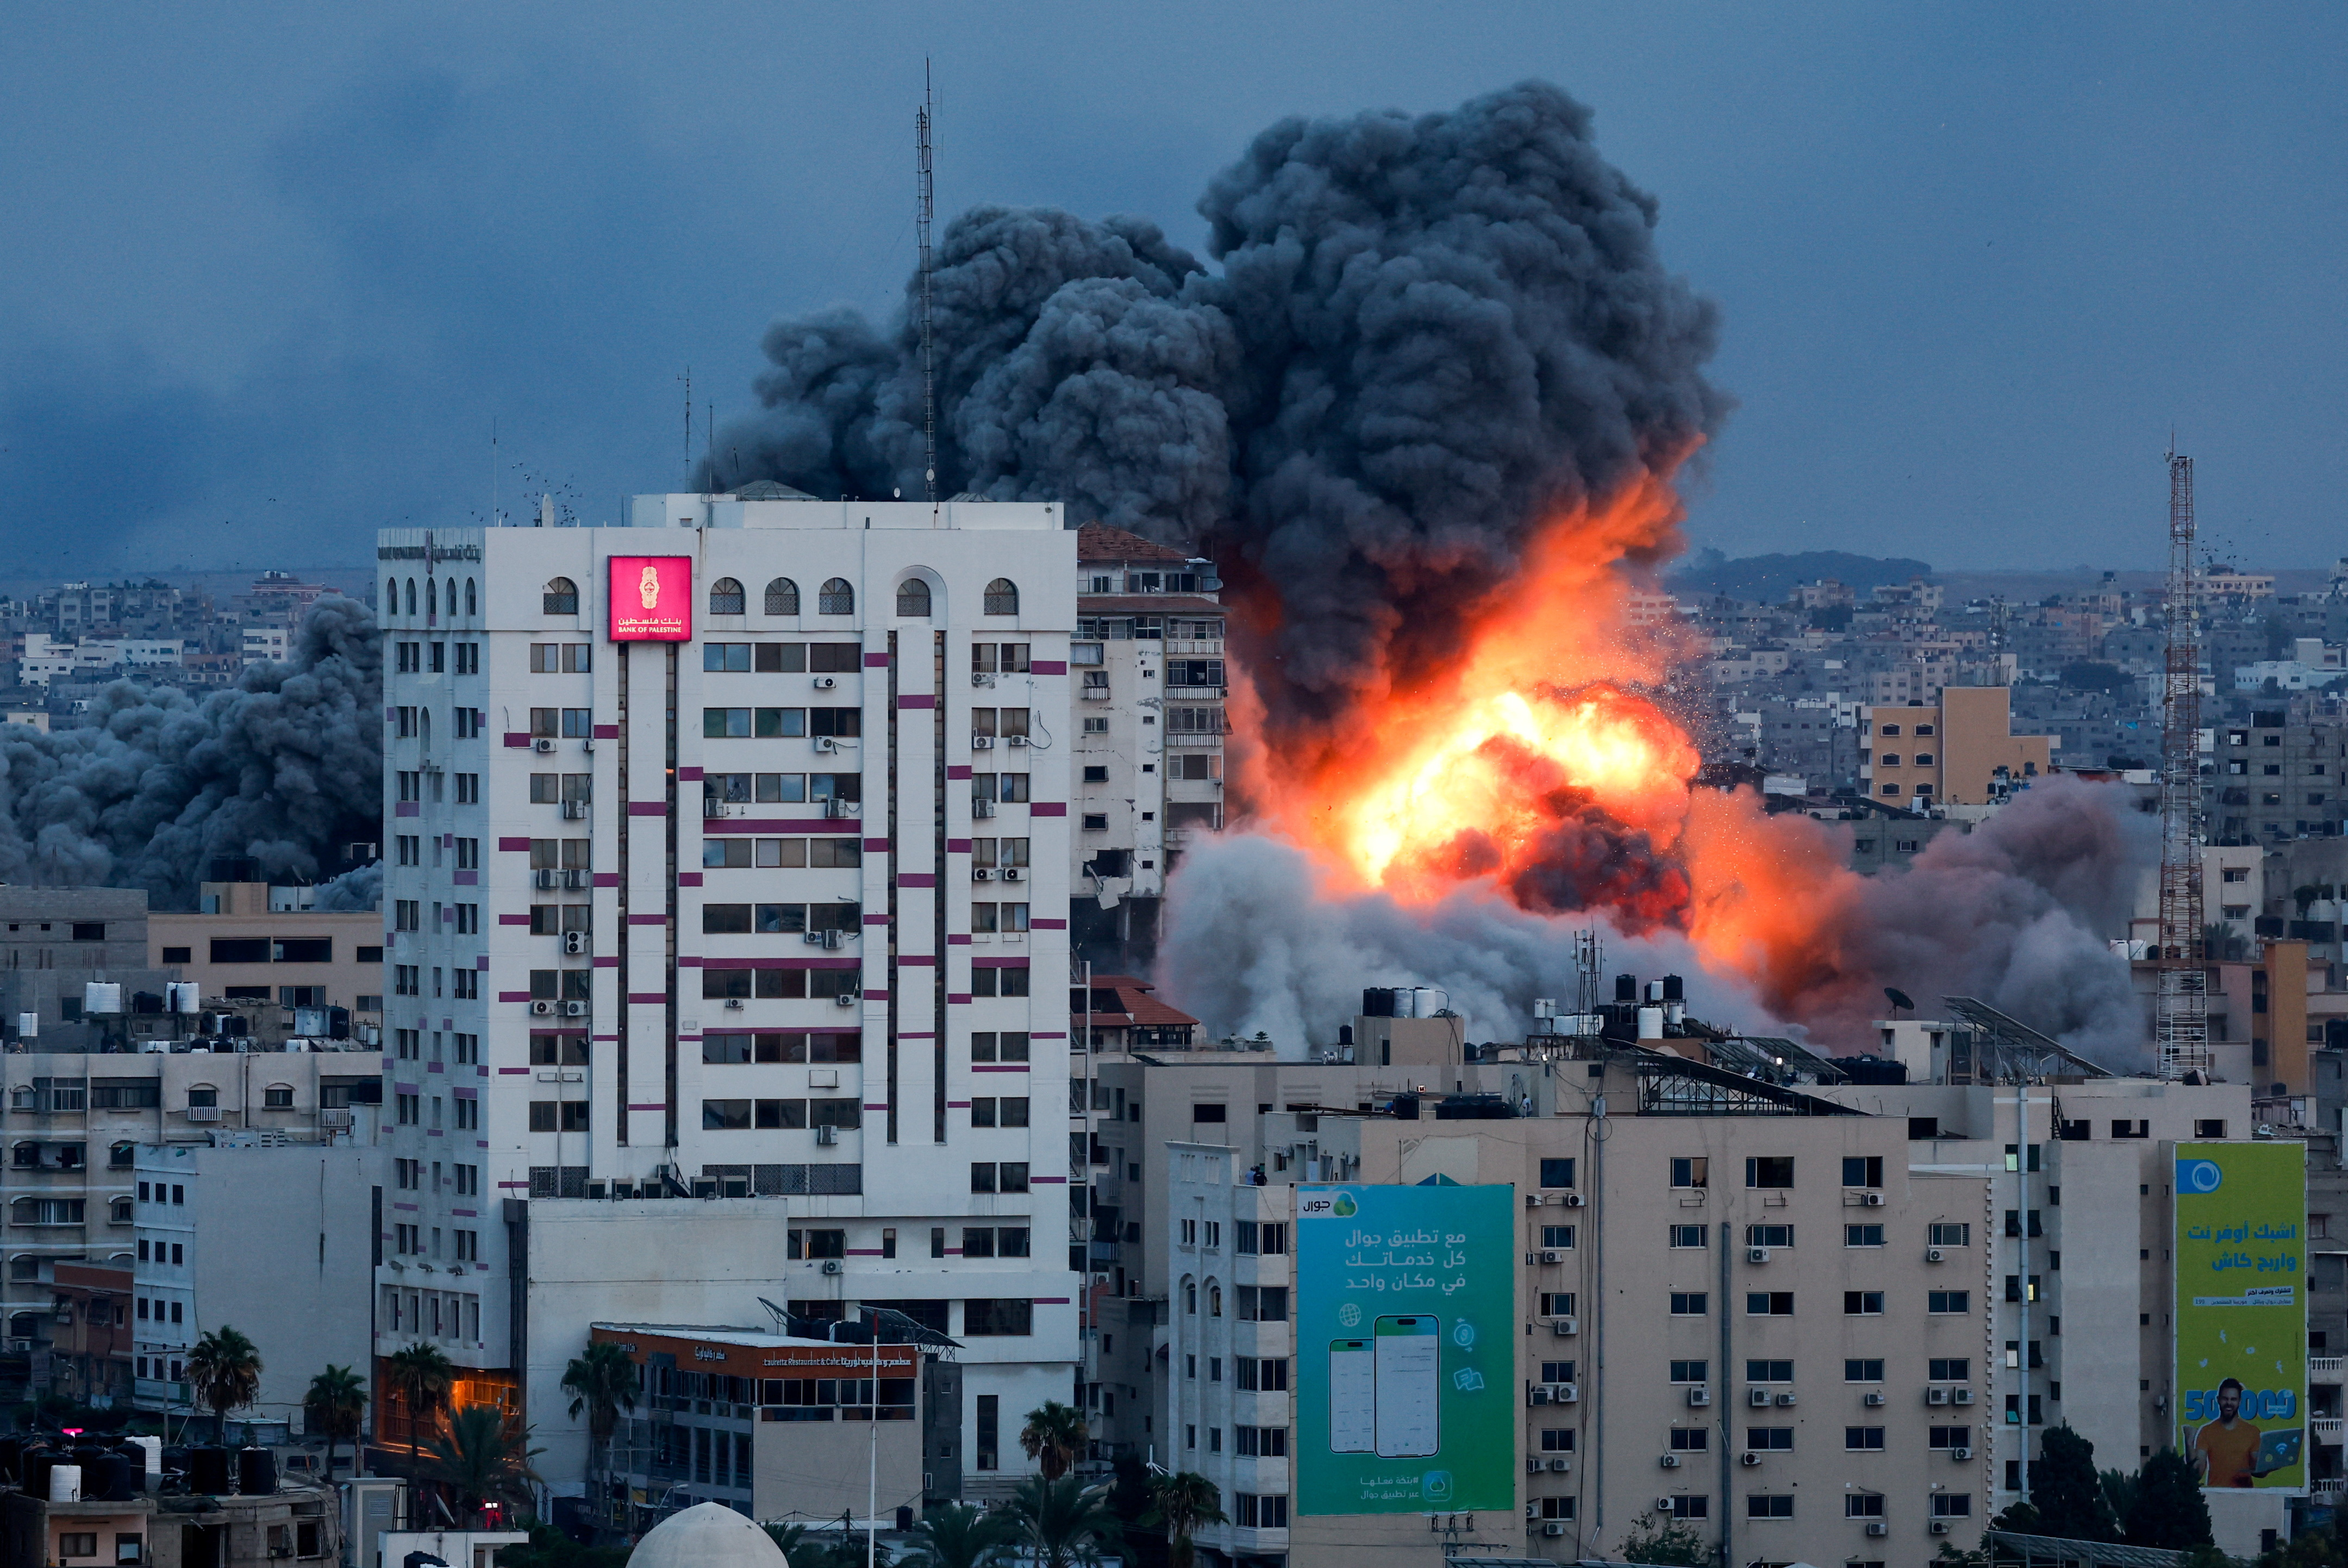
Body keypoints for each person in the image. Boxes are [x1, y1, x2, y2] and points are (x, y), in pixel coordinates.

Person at [2193, 1377, 2261, 1487]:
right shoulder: (2206, 1432)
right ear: (2218, 1399)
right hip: (2216, 1496)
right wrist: (2189, 1442)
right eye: (2225, 1399)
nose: (2229, 1403)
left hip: (2245, 1496)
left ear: (2239, 1402)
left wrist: (2271, 1466)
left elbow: (2258, 1470)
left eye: (2233, 1399)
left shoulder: (2252, 1432)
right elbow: (2198, 1472)